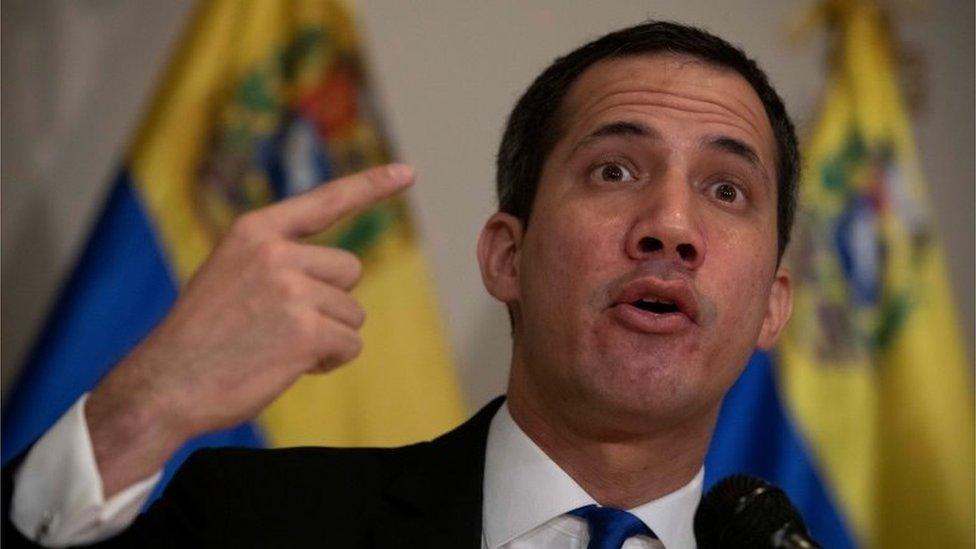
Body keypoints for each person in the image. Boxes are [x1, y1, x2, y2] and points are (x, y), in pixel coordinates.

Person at [3, 20, 798, 548]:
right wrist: (142, 406)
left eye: (727, 190)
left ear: (772, 305)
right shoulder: (257, 522)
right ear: (505, 258)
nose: (671, 225)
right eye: (615, 169)